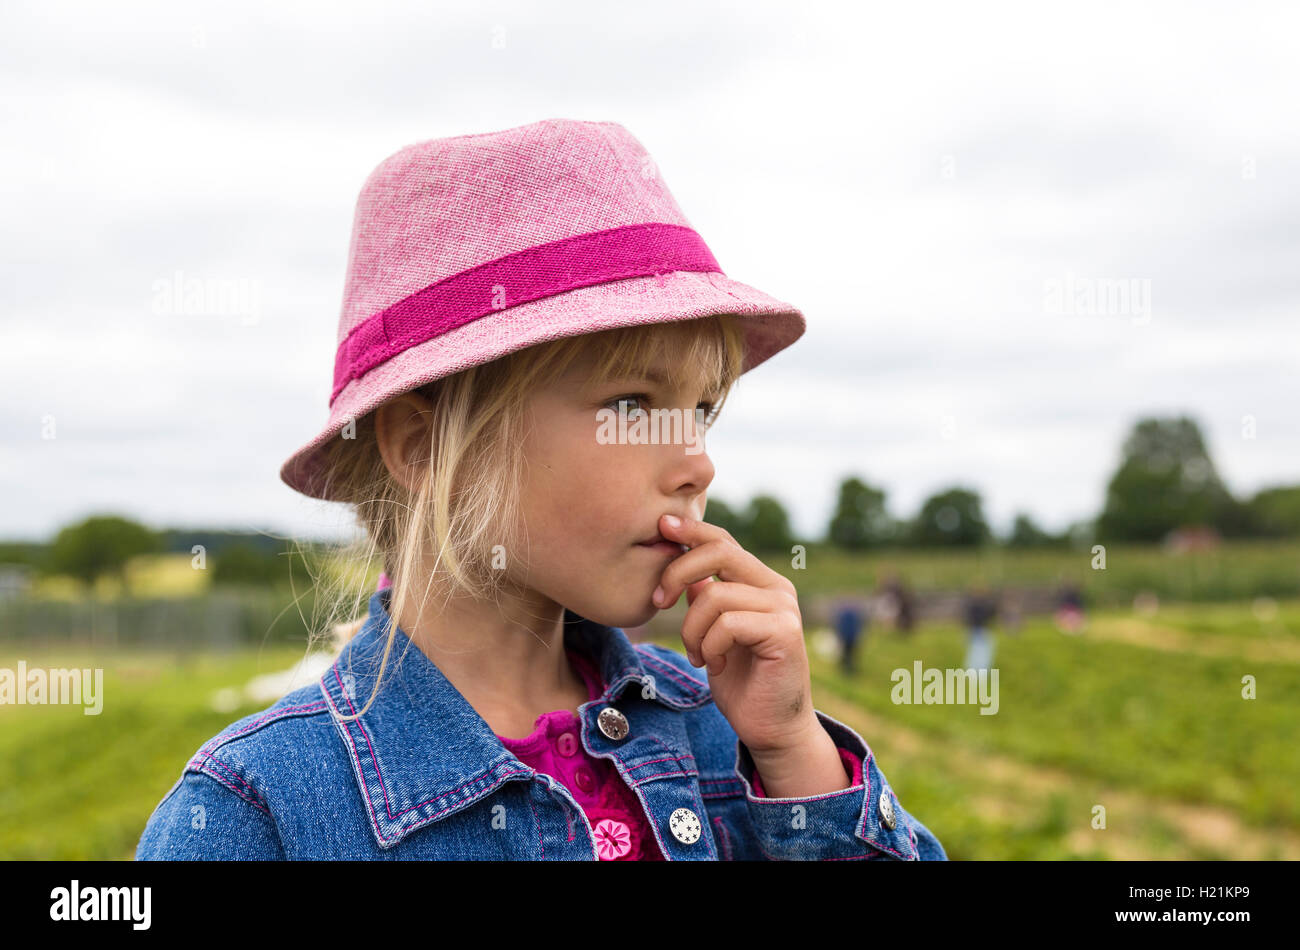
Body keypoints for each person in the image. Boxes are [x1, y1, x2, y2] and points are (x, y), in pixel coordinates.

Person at [135, 120, 945, 861]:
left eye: (700, 410)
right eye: (632, 406)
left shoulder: (719, 732)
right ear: (422, 445)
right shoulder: (259, 814)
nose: (696, 462)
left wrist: (794, 753)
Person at [962, 582, 999, 671]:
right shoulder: (976, 606)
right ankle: (975, 673)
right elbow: (989, 615)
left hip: (978, 631)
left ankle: (977, 673)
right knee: (978, 653)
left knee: (978, 653)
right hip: (979, 631)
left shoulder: (972, 605)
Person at [833, 599, 868, 675]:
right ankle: (847, 667)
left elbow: (840, 626)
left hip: (847, 637)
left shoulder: (844, 614)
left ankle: (846, 667)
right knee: (850, 654)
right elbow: (858, 626)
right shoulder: (853, 615)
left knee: (846, 653)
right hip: (851, 638)